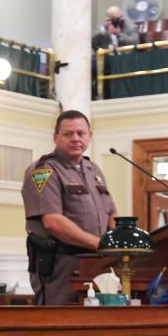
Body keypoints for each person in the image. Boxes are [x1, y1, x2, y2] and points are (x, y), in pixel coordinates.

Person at [22, 110, 117, 305]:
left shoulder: (94, 170)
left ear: (90, 136)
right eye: (68, 134)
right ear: (55, 137)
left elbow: (111, 214)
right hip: (62, 265)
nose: (75, 139)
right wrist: (100, 244)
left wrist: (120, 244)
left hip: (98, 264)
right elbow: (53, 222)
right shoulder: (43, 171)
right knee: (59, 323)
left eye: (81, 133)